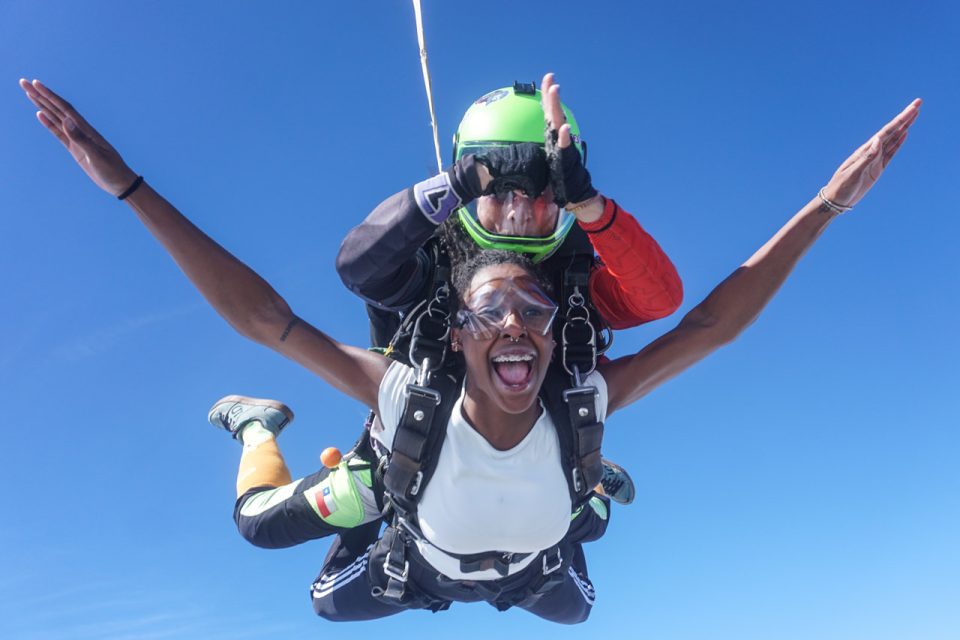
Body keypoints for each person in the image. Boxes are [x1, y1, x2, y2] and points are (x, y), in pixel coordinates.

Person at [19, 76, 920, 623]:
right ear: (454, 327)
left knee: (574, 584)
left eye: (533, 306)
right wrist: (130, 187)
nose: (519, 320)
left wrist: (831, 204)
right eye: (491, 310)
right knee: (274, 545)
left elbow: (699, 318)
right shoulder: (409, 376)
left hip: (526, 564)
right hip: (408, 526)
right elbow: (269, 317)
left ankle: (586, 486)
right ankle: (265, 428)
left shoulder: (576, 356)